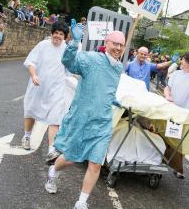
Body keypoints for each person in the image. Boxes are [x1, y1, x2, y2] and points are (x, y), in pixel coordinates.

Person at [45, 21, 126, 209]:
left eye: (121, 45)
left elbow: (108, 86)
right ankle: (53, 170)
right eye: (115, 43)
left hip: (103, 122)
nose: (118, 48)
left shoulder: (119, 67)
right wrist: (74, 42)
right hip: (83, 119)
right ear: (107, 43)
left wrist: (111, 98)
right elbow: (68, 63)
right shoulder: (91, 58)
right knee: (71, 158)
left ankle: (81, 203)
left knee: (96, 163)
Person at [21, 22, 69, 165]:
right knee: (31, 111)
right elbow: (30, 62)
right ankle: (27, 136)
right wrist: (34, 75)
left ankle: (51, 150)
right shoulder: (43, 45)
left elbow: (71, 70)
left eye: (61, 34)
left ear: (64, 37)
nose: (58, 36)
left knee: (55, 119)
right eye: (56, 32)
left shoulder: (67, 50)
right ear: (52, 32)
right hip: (38, 87)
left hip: (57, 89)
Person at [164, 52, 189, 179]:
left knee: (182, 141)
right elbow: (167, 88)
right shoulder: (176, 74)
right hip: (172, 111)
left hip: (187, 114)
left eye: (183, 60)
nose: (181, 61)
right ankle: (162, 161)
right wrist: (167, 96)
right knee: (168, 137)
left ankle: (179, 168)